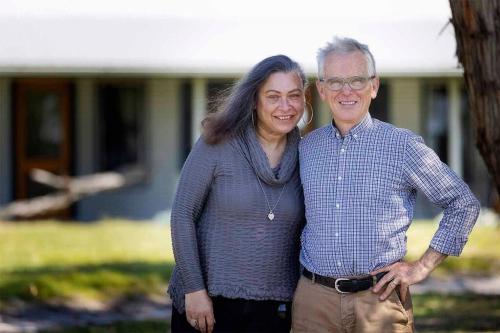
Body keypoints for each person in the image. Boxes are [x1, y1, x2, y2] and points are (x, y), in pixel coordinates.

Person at [293, 37, 480, 332]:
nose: (346, 91)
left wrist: (423, 266)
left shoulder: (402, 146)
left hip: (380, 300)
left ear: (374, 86)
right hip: (314, 303)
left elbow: (463, 203)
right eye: (335, 82)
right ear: (321, 89)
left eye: (357, 80)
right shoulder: (306, 148)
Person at [168, 55, 308, 333]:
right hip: (208, 302)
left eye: (294, 95)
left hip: (275, 309)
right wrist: (195, 290)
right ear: (253, 99)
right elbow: (182, 214)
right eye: (273, 96)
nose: (286, 106)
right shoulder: (217, 142)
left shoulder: (308, 156)